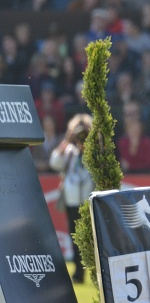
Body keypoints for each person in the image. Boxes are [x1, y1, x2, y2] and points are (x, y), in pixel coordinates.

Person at [49, 114, 95, 283]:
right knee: (75, 236)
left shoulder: (94, 148)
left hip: (88, 199)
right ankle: (78, 272)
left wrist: (92, 144)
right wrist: (67, 141)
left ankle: (95, 271)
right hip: (71, 199)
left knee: (91, 237)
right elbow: (54, 163)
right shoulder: (69, 150)